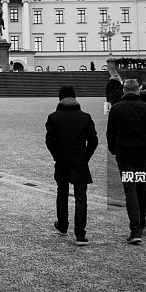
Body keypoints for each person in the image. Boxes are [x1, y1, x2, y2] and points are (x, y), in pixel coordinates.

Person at [107, 79, 146, 244]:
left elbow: (110, 133)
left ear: (124, 90)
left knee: (130, 190)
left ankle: (135, 229)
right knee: (140, 187)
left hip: (124, 153)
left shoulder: (116, 109)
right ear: (138, 91)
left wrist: (113, 149)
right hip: (143, 152)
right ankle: (142, 220)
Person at [45, 86, 98, 246]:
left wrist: (57, 156)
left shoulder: (54, 117)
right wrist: (85, 157)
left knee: (62, 193)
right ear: (75, 98)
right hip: (79, 160)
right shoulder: (85, 117)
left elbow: (49, 141)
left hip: (62, 160)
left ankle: (63, 225)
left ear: (60, 99)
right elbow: (93, 141)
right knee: (81, 197)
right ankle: (80, 234)